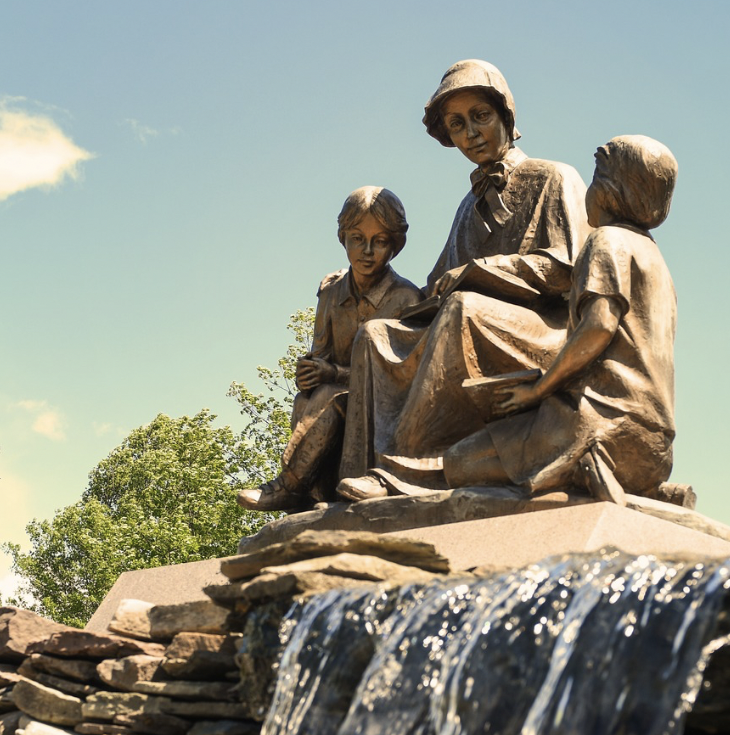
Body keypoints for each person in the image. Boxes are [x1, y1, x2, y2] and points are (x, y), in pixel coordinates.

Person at [337, 60, 588, 500]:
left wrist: (478, 273)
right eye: (457, 124)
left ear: (506, 116)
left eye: (480, 116)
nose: (470, 132)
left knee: (461, 309)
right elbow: (435, 286)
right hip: (470, 322)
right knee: (375, 336)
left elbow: (568, 268)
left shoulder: (553, 177)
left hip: (542, 331)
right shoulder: (467, 209)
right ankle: (354, 482)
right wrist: (364, 288)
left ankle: (409, 468)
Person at [442, 135, 679, 500]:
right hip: (655, 445)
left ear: (614, 188)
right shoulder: (655, 258)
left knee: (457, 462)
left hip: (601, 424)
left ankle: (580, 469)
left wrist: (537, 390)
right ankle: (643, 489)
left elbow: (599, 326)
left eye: (596, 176)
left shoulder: (607, 241)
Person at [237, 186, 421, 512]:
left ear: (394, 246)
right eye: (356, 239)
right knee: (307, 397)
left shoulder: (405, 298)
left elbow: (396, 379)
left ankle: (289, 485)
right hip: (335, 395)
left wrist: (332, 373)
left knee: (329, 396)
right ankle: (311, 497)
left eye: (379, 242)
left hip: (383, 407)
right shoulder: (331, 292)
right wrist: (309, 372)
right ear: (342, 238)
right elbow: (319, 353)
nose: (366, 251)